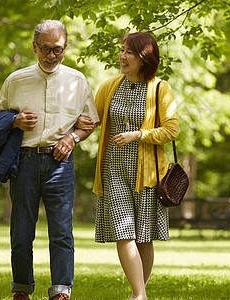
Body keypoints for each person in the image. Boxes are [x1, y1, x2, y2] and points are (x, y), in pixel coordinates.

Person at [0, 20, 99, 300]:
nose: (52, 56)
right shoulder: (16, 80)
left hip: (60, 165)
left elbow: (90, 122)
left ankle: (61, 290)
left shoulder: (77, 81)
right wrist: (14, 120)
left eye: (58, 50)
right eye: (46, 49)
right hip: (24, 161)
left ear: (65, 47)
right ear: (34, 47)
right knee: (21, 232)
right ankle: (22, 288)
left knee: (62, 231)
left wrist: (72, 138)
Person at [79, 32, 179, 300]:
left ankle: (138, 294)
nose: (122, 56)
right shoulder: (109, 86)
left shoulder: (161, 88)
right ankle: (140, 295)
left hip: (147, 174)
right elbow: (92, 120)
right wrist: (69, 130)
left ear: (144, 58)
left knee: (144, 237)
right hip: (113, 170)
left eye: (129, 52)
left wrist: (138, 135)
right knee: (124, 232)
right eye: (122, 50)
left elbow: (171, 130)